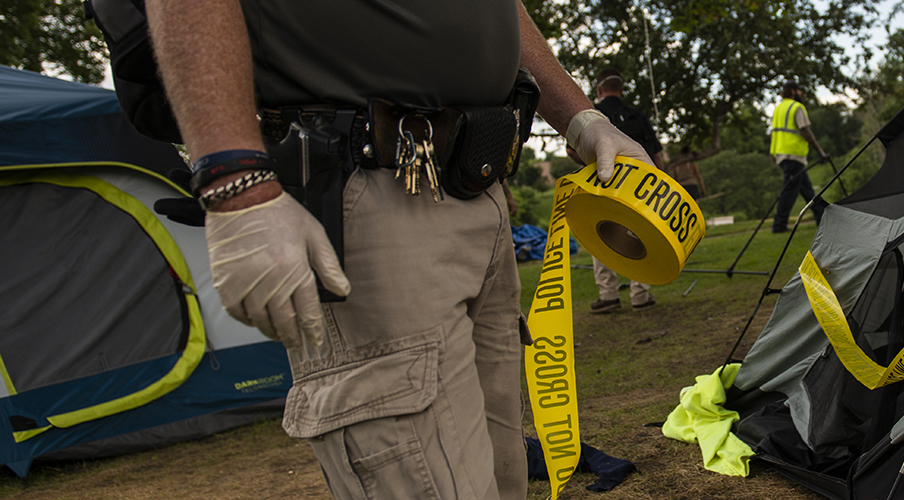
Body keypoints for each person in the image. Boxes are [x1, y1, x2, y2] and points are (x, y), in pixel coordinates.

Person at [146, 1, 650, 498]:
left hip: (479, 185)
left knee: (503, 478)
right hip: (367, 186)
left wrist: (582, 119)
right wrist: (237, 185)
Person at [581, 68, 661, 314]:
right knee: (640, 232)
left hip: (602, 183)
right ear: (622, 89)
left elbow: (573, 150)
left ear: (599, 89)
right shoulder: (636, 115)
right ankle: (640, 294)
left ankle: (608, 294)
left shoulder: (591, 115)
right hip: (638, 186)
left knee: (600, 233)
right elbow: (655, 153)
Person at [768, 80, 830, 233]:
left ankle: (820, 218)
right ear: (793, 91)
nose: (802, 93)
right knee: (789, 191)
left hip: (781, 154)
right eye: (799, 90)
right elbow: (806, 132)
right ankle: (779, 225)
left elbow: (774, 132)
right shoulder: (797, 107)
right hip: (793, 153)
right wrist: (820, 151)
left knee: (806, 189)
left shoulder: (778, 108)